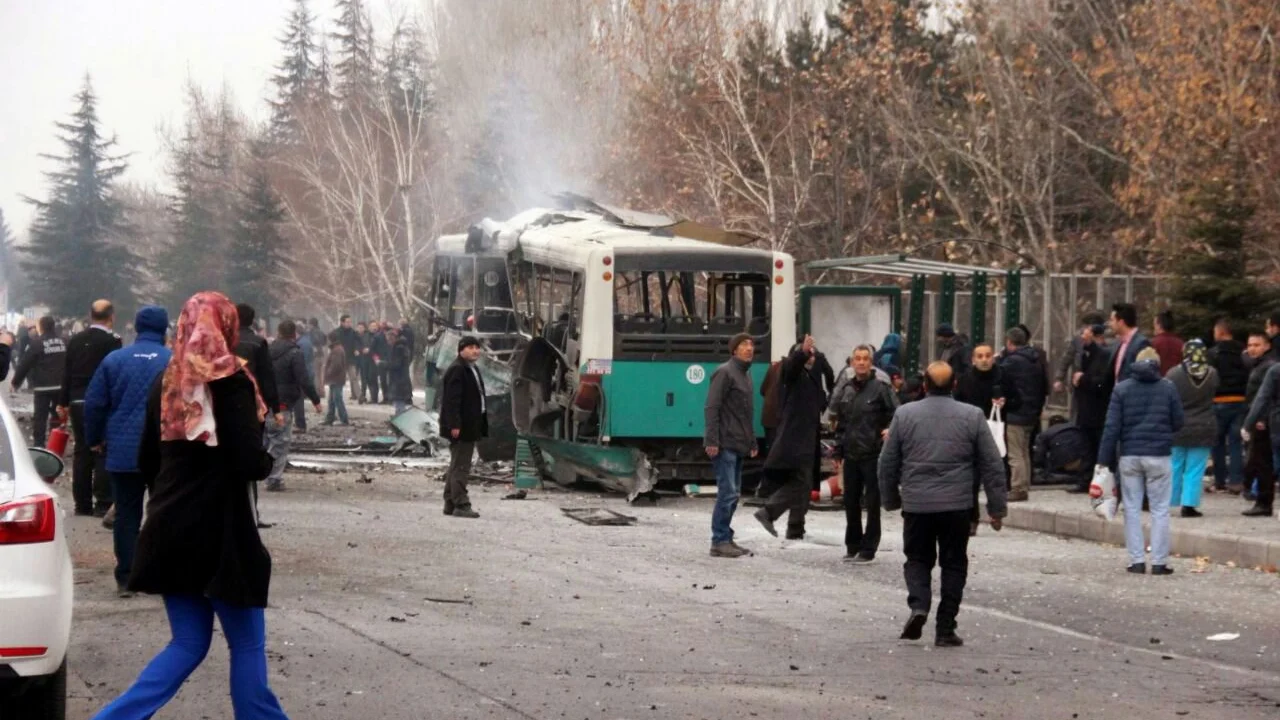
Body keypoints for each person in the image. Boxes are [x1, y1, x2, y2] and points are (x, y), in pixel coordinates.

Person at [91, 292, 289, 720]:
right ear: (228, 326)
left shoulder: (167, 381)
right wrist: (266, 457)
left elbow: (148, 459)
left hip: (169, 527)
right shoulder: (232, 380)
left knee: (187, 644)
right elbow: (248, 461)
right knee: (248, 644)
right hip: (220, 532)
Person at [879, 361, 1006, 647]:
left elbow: (887, 462)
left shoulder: (904, 414)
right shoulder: (973, 416)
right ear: (955, 385)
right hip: (957, 505)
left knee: (918, 559)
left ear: (924, 385)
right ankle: (945, 627)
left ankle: (919, 604)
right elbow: (992, 465)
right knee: (954, 563)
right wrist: (997, 509)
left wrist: (890, 499)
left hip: (917, 504)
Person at [83, 307, 172, 598]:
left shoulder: (114, 360)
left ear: (135, 327)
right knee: (162, 512)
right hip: (164, 451)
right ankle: (159, 573)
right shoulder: (173, 362)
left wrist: (94, 438)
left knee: (126, 514)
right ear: (164, 330)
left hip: (123, 449)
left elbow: (95, 403)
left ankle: (126, 577)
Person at [1097, 347, 1184, 575]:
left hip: (1130, 455)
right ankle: (1159, 562)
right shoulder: (1168, 387)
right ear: (1157, 364)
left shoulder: (1122, 389)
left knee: (1132, 509)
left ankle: (1136, 560)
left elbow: (1111, 427)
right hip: (1159, 455)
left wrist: (1103, 460)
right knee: (1160, 509)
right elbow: (1178, 421)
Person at [829, 344, 898, 562]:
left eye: (865, 359)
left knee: (872, 502)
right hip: (851, 453)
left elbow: (897, 413)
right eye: (857, 359)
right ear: (851, 363)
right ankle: (852, 544)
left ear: (871, 363)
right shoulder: (847, 389)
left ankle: (869, 548)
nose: (861, 362)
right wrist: (838, 451)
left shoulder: (881, 388)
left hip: (873, 452)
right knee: (850, 500)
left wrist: (889, 430)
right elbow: (841, 423)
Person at [754, 336, 825, 541]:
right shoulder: (791, 372)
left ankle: (795, 527)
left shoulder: (811, 376)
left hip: (806, 438)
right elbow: (793, 366)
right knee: (801, 483)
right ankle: (769, 512)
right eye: (809, 355)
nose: (812, 358)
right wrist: (802, 352)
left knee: (803, 482)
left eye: (813, 355)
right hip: (796, 439)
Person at [59, 300, 123, 517]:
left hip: (77, 401)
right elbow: (115, 374)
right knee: (102, 449)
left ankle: (82, 503)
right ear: (111, 317)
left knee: (81, 451)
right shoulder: (113, 342)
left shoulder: (75, 340)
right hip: (101, 400)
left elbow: (66, 372)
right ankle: (103, 502)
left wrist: (63, 402)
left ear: (90, 315)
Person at [704, 333, 758, 558]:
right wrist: (712, 440)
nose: (749, 348)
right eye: (744, 345)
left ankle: (726, 536)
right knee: (727, 493)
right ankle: (719, 540)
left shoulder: (745, 375)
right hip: (725, 442)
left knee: (734, 494)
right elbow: (712, 407)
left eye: (751, 345)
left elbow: (745, 414)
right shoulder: (725, 372)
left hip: (737, 441)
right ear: (734, 350)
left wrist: (752, 441)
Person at [954, 343, 1016, 530]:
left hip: (995, 434)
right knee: (971, 479)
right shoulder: (966, 379)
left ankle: (996, 513)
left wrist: (1005, 403)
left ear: (993, 357)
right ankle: (972, 519)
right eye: (979, 356)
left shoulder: (1003, 377)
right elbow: (956, 403)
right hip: (971, 434)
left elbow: (1018, 400)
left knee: (995, 477)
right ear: (973, 359)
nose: (984, 360)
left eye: (987, 355)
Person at [266, 320, 321, 492]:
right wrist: (315, 400)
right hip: (283, 402)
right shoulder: (295, 353)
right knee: (280, 441)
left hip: (264, 400)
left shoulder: (266, 350)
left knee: (267, 438)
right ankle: (273, 478)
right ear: (294, 334)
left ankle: (261, 472)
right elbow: (303, 379)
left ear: (278, 332)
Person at [1166, 340, 1218, 518]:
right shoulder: (1212, 373)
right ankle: (1189, 505)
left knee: (1175, 465)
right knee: (1195, 468)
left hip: (1178, 426)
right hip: (1204, 425)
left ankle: (1170, 501)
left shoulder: (1173, 374)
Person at [439, 336, 488, 518]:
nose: (475, 351)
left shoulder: (470, 368)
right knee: (461, 466)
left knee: (456, 464)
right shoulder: (458, 370)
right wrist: (455, 424)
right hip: (461, 427)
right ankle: (461, 504)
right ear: (461, 350)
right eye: (470, 347)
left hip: (469, 424)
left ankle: (450, 501)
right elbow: (452, 401)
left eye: (477, 347)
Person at [1000, 326, 1046, 502]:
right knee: (1025, 450)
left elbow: (999, 373)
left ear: (1010, 342)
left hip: (1016, 412)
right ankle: (1025, 484)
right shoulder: (1035, 359)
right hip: (1032, 411)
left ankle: (1018, 487)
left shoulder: (1011, 362)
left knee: (1015, 452)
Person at [1070, 323, 1115, 491]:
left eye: (1086, 333)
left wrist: (1083, 380)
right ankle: (1085, 479)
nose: (1082, 337)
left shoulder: (1103, 355)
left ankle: (1098, 480)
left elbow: (1102, 383)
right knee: (1086, 446)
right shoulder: (1084, 355)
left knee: (1096, 446)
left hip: (1097, 409)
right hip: (1085, 408)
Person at [10, 315, 67, 446]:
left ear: (41, 327)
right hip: (60, 386)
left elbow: (25, 363)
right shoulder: (63, 341)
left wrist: (15, 382)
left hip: (43, 387)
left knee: (40, 418)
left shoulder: (37, 343)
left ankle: (39, 446)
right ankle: (55, 445)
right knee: (57, 416)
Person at [1207, 318, 1249, 493]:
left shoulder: (1212, 354)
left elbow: (1209, 378)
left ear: (1221, 332)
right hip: (1239, 401)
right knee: (1235, 443)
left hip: (1218, 402)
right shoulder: (1244, 352)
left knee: (1217, 443)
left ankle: (1219, 481)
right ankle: (1236, 481)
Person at [1241, 332, 1275, 515]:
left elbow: (1267, 396)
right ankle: (1262, 500)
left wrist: (1261, 418)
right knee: (1259, 461)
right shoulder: (1258, 366)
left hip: (1262, 421)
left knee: (1261, 462)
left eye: (1257, 345)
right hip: (1256, 419)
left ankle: (1263, 502)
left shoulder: (1268, 367)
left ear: (1267, 346)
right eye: (1250, 345)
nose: (1252, 349)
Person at [1109, 302, 1151, 383]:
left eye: (1112, 320)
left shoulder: (1141, 343)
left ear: (1121, 322)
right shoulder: (1119, 343)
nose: (1110, 324)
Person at [321, 330, 349, 426]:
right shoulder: (337, 349)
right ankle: (330, 418)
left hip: (336, 379)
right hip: (336, 379)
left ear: (331, 339)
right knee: (331, 400)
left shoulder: (336, 350)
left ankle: (344, 419)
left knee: (337, 399)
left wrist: (328, 373)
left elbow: (336, 365)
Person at [386, 327, 414, 415]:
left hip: (399, 381)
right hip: (402, 380)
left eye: (388, 340)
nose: (388, 342)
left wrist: (384, 364)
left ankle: (400, 422)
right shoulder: (403, 346)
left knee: (399, 405)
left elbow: (396, 365)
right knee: (399, 404)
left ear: (392, 339)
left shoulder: (398, 348)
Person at [294, 322, 315, 434]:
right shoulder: (304, 341)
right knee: (298, 399)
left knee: (298, 400)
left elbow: (303, 361)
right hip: (306, 372)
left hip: (303, 374)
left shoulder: (302, 344)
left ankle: (300, 424)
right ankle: (299, 423)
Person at [1150, 310, 1183, 377]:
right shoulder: (1181, 344)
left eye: (1154, 324)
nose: (1154, 327)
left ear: (1159, 326)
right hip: (1177, 383)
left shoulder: (1153, 343)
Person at [337, 315, 362, 401]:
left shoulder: (353, 332)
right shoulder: (337, 332)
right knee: (339, 379)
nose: (349, 323)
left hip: (351, 359)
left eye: (350, 322)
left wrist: (357, 349)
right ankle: (337, 396)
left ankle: (360, 396)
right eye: (347, 322)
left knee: (354, 378)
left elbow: (359, 341)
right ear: (342, 322)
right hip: (340, 359)